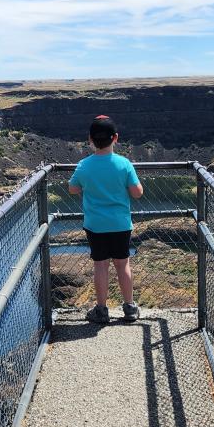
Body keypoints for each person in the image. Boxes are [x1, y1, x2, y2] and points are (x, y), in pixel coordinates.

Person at [68, 115, 144, 324]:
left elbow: (73, 188)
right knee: (123, 264)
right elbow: (137, 193)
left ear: (90, 139)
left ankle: (101, 310)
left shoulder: (84, 165)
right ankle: (129, 308)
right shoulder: (124, 163)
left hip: (95, 225)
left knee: (100, 266)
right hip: (120, 224)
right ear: (116, 138)